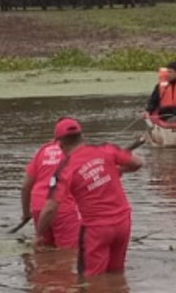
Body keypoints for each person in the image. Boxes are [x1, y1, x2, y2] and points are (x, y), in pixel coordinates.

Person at [36, 118, 144, 277]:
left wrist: (39, 233)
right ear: (81, 136)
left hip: (96, 229)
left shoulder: (65, 170)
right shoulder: (106, 149)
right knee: (116, 274)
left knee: (90, 280)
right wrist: (117, 170)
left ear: (60, 144)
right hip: (123, 223)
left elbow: (50, 208)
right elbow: (137, 162)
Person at [22, 127, 81, 249]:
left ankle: (43, 268)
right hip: (62, 208)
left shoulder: (43, 150)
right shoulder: (78, 153)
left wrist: (26, 213)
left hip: (39, 207)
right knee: (69, 253)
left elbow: (25, 187)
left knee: (44, 249)